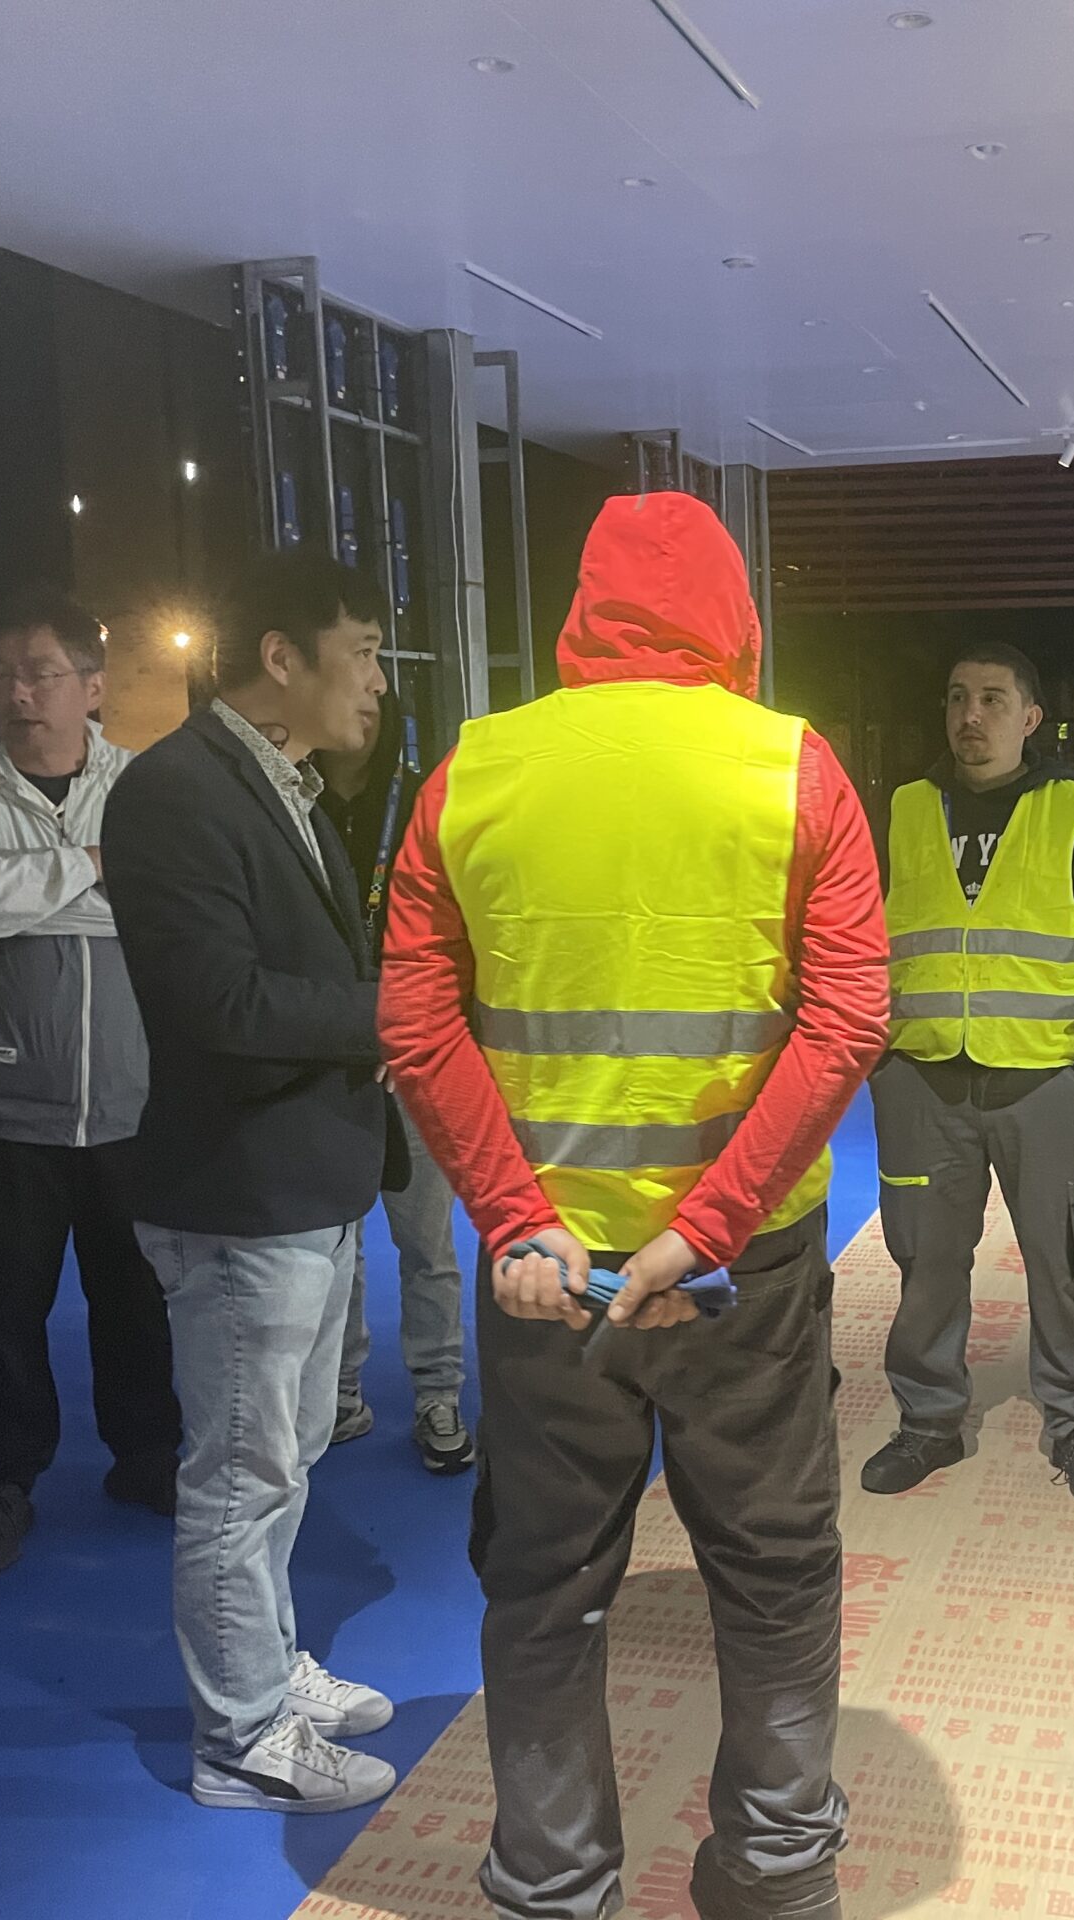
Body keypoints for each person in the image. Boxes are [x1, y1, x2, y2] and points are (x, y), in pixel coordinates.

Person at [380, 491, 887, 1920]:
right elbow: (847, 1019)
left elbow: (416, 1023)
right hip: (740, 1274)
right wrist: (702, 1231)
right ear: (735, 617)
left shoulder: (475, 771)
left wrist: (514, 1216)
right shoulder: (793, 769)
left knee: (545, 1589)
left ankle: (552, 1885)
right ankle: (777, 1875)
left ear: (584, 612)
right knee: (775, 1573)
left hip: (548, 1282)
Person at [102, 552, 406, 1814]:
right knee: (240, 1474)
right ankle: (238, 1737)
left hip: (301, 1180)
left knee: (284, 1460)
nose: (379, 682)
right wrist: (392, 1013)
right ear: (281, 658)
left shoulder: (279, 784)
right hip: (236, 1192)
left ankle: (268, 1671)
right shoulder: (176, 791)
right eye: (364, 653)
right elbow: (216, 1004)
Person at [0, 591, 182, 1579]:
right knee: (0, 1311)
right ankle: (2, 1484)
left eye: (38, 674)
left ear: (91, 687)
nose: (15, 693)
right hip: (2, 1106)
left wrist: (44, 881)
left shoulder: (142, 783)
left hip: (130, 1100)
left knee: (137, 1297)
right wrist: (99, 865)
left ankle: (147, 1457)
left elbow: (166, 911)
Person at [862, 644, 1074, 1504]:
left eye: (992, 700)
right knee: (925, 1260)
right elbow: (860, 937)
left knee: (1066, 1261)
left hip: (1044, 1080)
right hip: (923, 1079)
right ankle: (928, 1421)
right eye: (956, 697)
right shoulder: (902, 807)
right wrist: (880, 1057)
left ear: (1031, 717)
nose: (970, 715)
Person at [317, 692, 474, 1473]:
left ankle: (438, 1394)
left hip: (415, 1055)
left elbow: (456, 933)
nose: (362, 712)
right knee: (335, 1241)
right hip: (326, 1052)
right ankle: (339, 1395)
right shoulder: (294, 799)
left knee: (426, 1240)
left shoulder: (426, 802)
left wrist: (412, 1030)